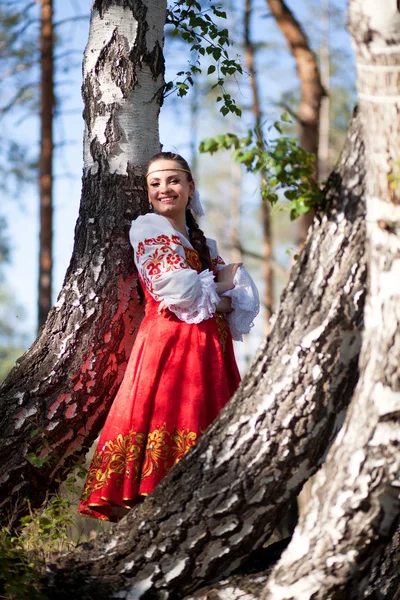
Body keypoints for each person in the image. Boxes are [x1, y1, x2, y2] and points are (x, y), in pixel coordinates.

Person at [78, 152, 259, 522]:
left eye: (174, 180)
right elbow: (182, 294)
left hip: (212, 351)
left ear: (191, 188)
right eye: (155, 183)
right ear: (147, 193)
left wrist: (219, 290)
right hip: (171, 348)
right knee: (167, 438)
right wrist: (220, 291)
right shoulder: (149, 228)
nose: (165, 188)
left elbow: (241, 291)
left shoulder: (202, 244)